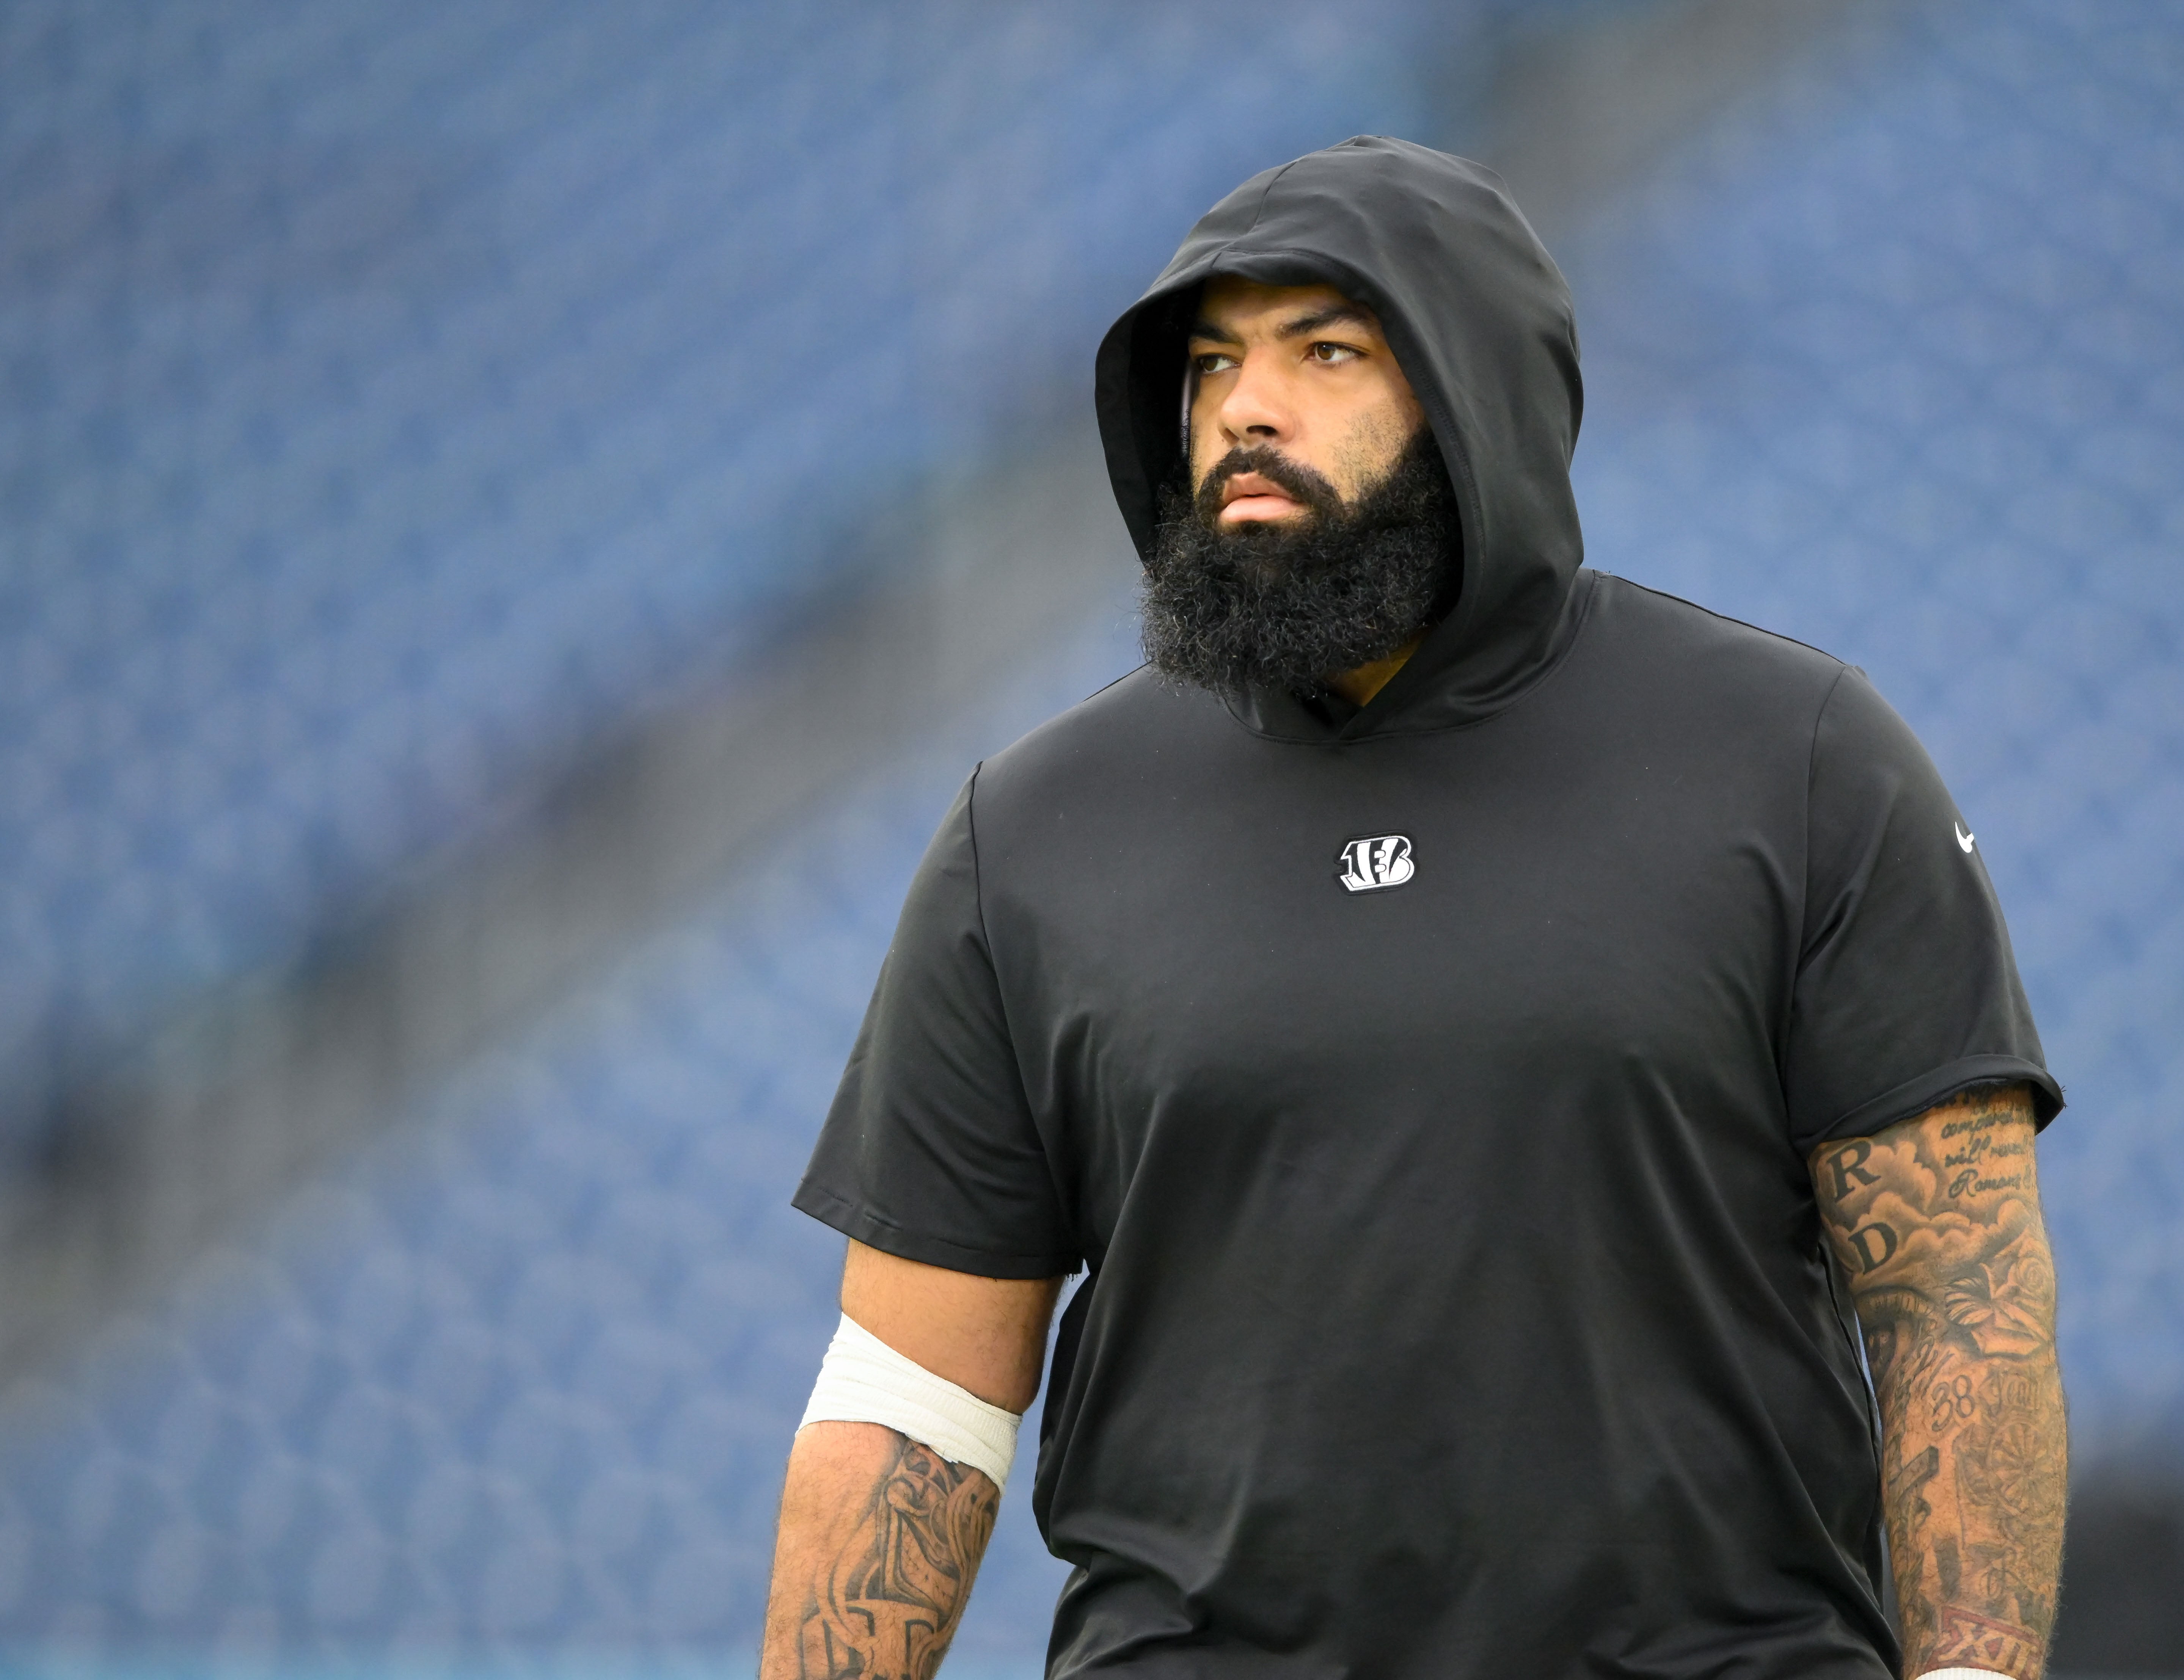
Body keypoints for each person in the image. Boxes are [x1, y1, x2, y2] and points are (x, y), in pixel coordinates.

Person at [759, 136, 2068, 1680]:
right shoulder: (1033, 832)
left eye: (1328, 349)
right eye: (1212, 362)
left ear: (1477, 399)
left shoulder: (1800, 763)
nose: (1246, 407)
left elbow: (1955, 1306)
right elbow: (913, 1400)